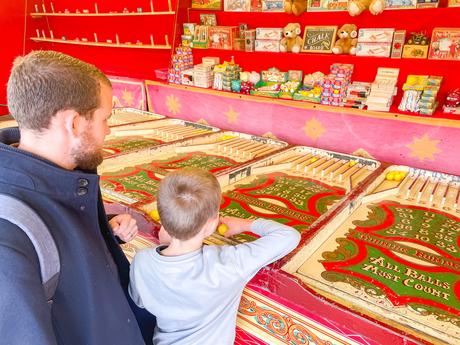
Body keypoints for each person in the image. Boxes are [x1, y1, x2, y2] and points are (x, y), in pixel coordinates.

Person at [0, 50, 155, 344]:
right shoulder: (8, 235)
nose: (108, 130)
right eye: (104, 118)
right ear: (73, 123)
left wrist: (106, 230)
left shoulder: (67, 177)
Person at [129, 167, 301, 345]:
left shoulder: (142, 261)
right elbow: (289, 236)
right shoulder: (227, 263)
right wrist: (244, 224)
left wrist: (166, 244)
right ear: (211, 224)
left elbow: (140, 301)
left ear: (163, 220)